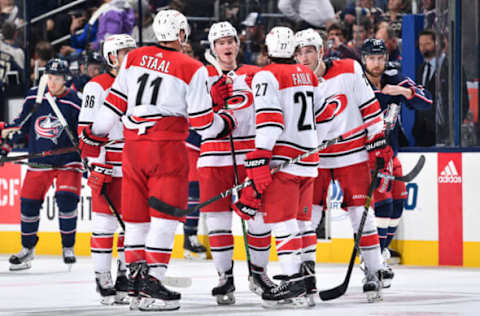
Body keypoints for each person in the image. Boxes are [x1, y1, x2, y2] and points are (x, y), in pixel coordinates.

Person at [79, 10, 237, 312]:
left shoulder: (134, 58)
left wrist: (93, 135)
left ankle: (137, 285)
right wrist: (225, 121)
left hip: (133, 150)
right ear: (181, 35)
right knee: (164, 221)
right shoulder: (192, 67)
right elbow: (204, 124)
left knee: (136, 221)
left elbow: (114, 104)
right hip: (166, 149)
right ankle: (153, 283)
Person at [232, 26, 329, 308]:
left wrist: (261, 154)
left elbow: (271, 120)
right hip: (309, 161)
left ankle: (291, 282)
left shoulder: (266, 75)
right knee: (302, 223)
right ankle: (308, 282)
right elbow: (323, 114)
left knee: (283, 222)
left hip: (284, 161)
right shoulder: (309, 75)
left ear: (268, 49)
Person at [295, 28, 391, 302]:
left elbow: (370, 108)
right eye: (299, 52)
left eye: (309, 50)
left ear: (321, 50)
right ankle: (306, 276)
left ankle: (374, 272)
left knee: (361, 215)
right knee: (307, 219)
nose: (304, 57)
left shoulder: (349, 69)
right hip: (315, 160)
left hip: (352, 156)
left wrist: (377, 138)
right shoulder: (295, 81)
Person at [202, 21, 275, 305]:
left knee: (258, 218)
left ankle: (260, 274)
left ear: (238, 45)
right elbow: (195, 120)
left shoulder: (255, 75)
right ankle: (225, 277)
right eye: (220, 42)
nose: (227, 46)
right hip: (212, 157)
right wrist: (212, 102)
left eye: (231, 41)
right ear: (213, 48)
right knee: (218, 221)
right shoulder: (202, 77)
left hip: (250, 158)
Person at [361, 38, 432, 287]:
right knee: (384, 204)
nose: (377, 63)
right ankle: (373, 262)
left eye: (380, 58)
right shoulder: (357, 84)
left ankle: (380, 253)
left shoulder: (395, 79)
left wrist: (403, 92)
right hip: (364, 156)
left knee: (398, 204)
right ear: (364, 59)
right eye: (372, 58)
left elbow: (427, 101)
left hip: (390, 153)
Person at [1, 59, 82, 271]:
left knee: (66, 199)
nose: (53, 82)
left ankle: (68, 247)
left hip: (68, 160)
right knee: (28, 203)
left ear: (65, 79)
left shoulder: (75, 101)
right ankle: (27, 249)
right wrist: (6, 147)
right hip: (40, 161)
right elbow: (21, 125)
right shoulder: (34, 96)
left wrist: (88, 155)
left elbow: (84, 132)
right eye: (50, 77)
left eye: (57, 78)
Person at [78, 34, 136, 305]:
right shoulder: (96, 86)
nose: (130, 56)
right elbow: (85, 130)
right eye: (125, 52)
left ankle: (124, 274)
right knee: (105, 224)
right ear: (111, 56)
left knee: (132, 225)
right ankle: (103, 277)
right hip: (107, 162)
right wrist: (95, 163)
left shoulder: (138, 83)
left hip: (133, 162)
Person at [414, 29, 469, 146]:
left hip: (444, 133)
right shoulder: (421, 69)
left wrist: (452, 128)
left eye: (427, 44)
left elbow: (463, 101)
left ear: (437, 44)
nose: (423, 48)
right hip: (423, 134)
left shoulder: (452, 67)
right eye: (421, 44)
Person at [183, 128, 208, 260]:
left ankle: (189, 239)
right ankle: (190, 238)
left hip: (195, 165)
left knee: (194, 202)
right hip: (191, 166)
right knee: (193, 200)